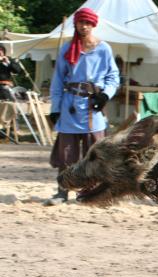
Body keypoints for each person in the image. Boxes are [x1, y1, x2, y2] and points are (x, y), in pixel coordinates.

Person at [44, 7, 119, 205]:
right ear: (76, 24)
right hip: (70, 107)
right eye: (80, 22)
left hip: (93, 108)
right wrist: (55, 108)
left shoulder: (103, 48)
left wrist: (105, 95)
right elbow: (58, 81)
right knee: (66, 153)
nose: (84, 26)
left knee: (95, 153)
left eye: (87, 23)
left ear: (93, 25)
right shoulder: (67, 48)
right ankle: (62, 192)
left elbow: (113, 77)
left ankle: (92, 193)